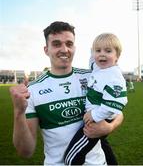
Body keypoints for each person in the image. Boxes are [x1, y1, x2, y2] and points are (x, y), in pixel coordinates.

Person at [9, 21, 124, 165]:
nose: (64, 49)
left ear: (74, 48)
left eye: (69, 44)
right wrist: (18, 112)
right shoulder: (33, 90)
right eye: (57, 44)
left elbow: (118, 112)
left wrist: (109, 127)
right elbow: (26, 151)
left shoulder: (92, 77)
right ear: (46, 50)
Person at [64, 33, 128, 165]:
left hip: (98, 120)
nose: (102, 54)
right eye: (98, 51)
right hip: (96, 117)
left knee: (72, 157)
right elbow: (93, 61)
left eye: (108, 51)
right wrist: (93, 49)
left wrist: (94, 115)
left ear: (117, 57)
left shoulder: (114, 76)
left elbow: (115, 104)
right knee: (100, 147)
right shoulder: (99, 68)